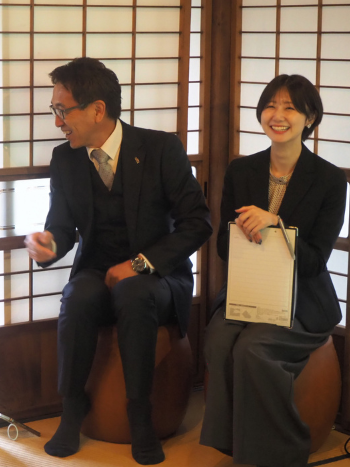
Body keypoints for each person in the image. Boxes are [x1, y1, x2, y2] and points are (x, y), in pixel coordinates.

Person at [24, 57, 212, 465]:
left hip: (158, 276)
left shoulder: (160, 148)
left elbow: (198, 223)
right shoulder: (66, 159)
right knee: (77, 297)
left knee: (134, 293)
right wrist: (49, 244)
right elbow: (62, 226)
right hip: (98, 268)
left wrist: (141, 264)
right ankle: (72, 408)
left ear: (97, 109)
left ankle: (140, 415)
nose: (57, 121)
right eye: (55, 110)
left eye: (63, 110)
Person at [200, 74, 347, 467]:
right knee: (219, 339)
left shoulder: (330, 179)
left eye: (290, 108)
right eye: (270, 106)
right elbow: (223, 248)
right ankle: (236, 446)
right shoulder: (241, 171)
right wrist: (243, 233)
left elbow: (316, 260)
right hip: (249, 289)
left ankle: (282, 452)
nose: (277, 115)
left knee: (254, 349)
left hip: (303, 298)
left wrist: (277, 226)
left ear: (310, 118)